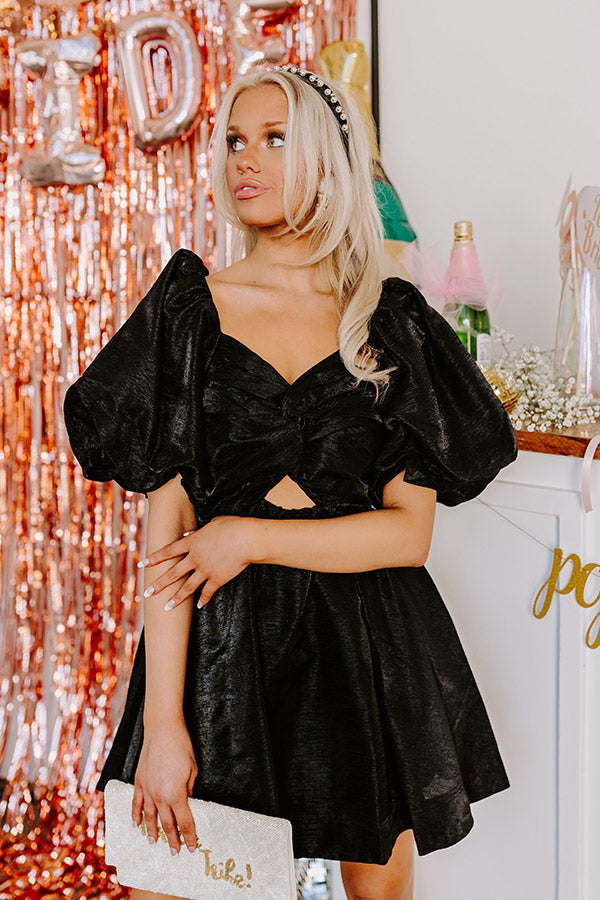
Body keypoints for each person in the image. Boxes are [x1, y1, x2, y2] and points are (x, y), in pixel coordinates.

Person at [63, 64, 518, 900]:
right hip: (220, 651)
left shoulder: (389, 320)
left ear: (326, 159)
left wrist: (246, 536)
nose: (246, 158)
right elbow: (167, 536)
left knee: (378, 890)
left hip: (364, 645)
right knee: (182, 879)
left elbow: (407, 534)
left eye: (276, 139)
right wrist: (162, 724)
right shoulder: (189, 312)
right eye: (236, 140)